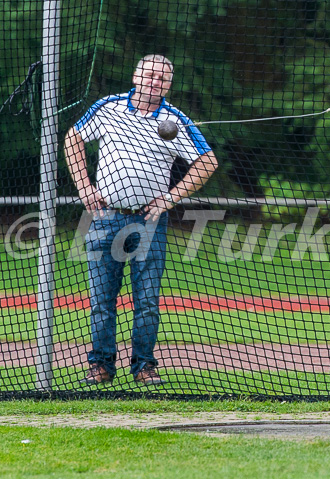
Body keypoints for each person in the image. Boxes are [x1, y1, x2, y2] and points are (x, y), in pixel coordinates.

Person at [64, 54, 218, 386]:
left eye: (162, 79)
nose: (154, 82)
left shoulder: (174, 120)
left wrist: (170, 198)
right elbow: (72, 138)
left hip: (149, 222)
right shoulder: (108, 107)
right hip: (105, 218)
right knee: (101, 301)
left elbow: (208, 162)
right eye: (149, 75)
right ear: (136, 76)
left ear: (169, 85)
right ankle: (100, 365)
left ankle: (144, 366)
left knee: (147, 301)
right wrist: (84, 187)